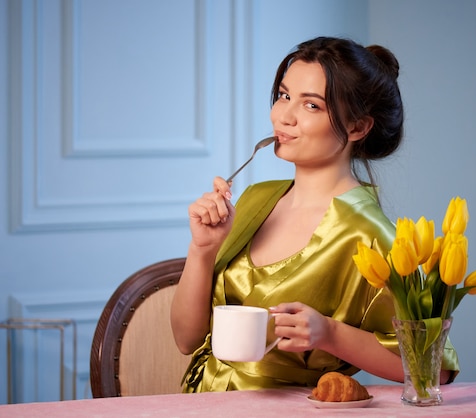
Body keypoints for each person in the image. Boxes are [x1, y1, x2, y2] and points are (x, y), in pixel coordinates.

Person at [170, 36, 459, 392]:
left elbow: (434, 368)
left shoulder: (371, 234)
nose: (284, 116)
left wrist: (330, 333)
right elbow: (186, 341)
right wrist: (202, 250)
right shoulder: (254, 199)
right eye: (284, 95)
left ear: (357, 127)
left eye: (311, 106)